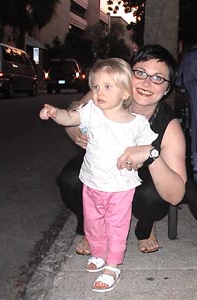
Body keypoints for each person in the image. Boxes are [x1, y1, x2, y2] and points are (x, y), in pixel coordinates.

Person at [40, 58, 158, 292]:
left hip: (120, 187)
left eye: (107, 87)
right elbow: (71, 118)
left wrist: (140, 154)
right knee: (93, 223)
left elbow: (148, 148)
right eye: (95, 87)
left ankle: (113, 265)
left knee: (116, 226)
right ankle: (98, 254)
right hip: (91, 182)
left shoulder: (137, 124)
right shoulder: (92, 111)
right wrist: (55, 113)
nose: (98, 92)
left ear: (125, 93)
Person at [58, 44, 187, 255]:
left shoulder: (169, 127)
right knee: (70, 179)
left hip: (140, 177)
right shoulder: (108, 91)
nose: (147, 83)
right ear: (128, 74)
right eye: (140, 73)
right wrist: (72, 130)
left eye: (158, 78)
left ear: (167, 88)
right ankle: (91, 229)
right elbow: (73, 110)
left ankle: (146, 228)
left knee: (152, 196)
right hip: (100, 167)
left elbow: (176, 195)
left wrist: (150, 155)